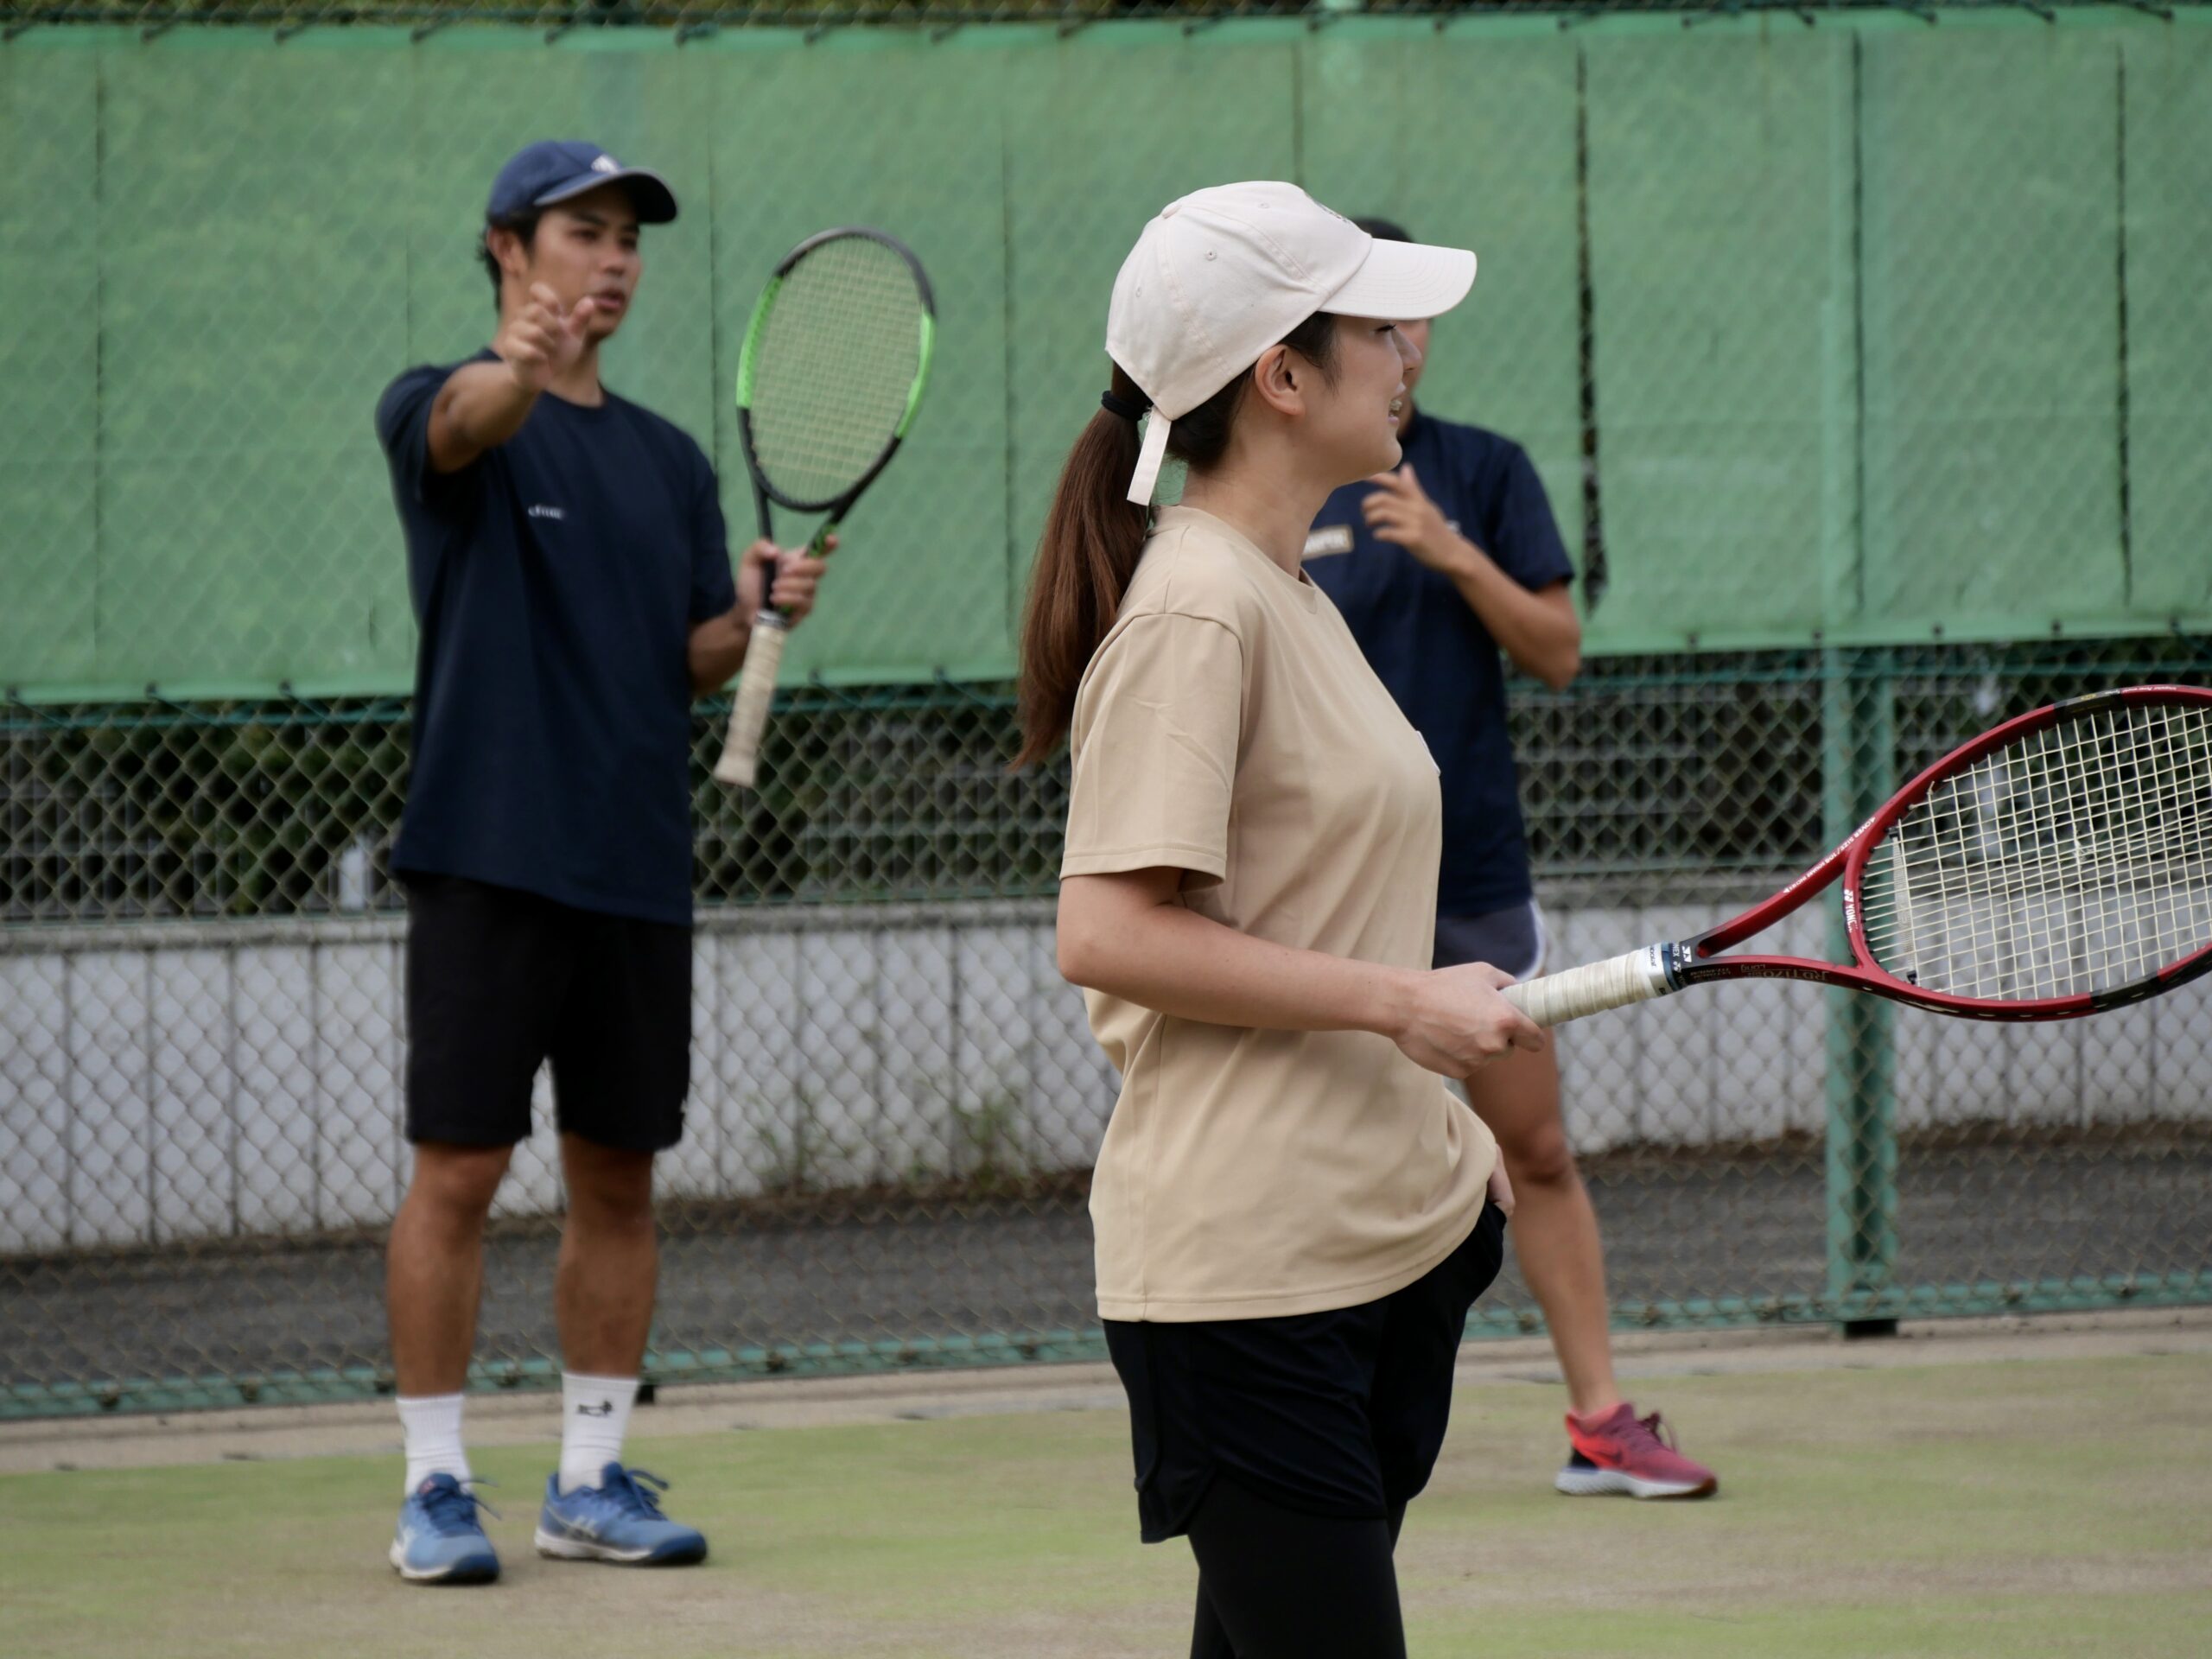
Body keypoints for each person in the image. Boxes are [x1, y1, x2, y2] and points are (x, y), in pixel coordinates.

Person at [1017, 181, 1540, 1658]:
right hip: (1249, 1291)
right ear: (1284, 376)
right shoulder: (1199, 608)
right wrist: (1405, 1006)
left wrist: (1450, 1145)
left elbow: (1326, 906)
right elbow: (1107, 934)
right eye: (1380, 324)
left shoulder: (1286, 591)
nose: (1411, 349)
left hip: (1369, 1255)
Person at [372, 140, 830, 1584]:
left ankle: (588, 1479)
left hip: (635, 866)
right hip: (488, 859)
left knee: (617, 1182)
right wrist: (515, 364)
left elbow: (682, 658)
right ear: (510, 246)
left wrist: (750, 612)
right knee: (458, 1172)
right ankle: (435, 1486)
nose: (616, 258)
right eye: (586, 231)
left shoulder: (668, 460)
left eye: (629, 236)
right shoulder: (448, 410)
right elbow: (465, 420)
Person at [1300, 215, 1718, 1503]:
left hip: (1469, 879)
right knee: (1316, 1166)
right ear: (1313, 343)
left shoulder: (1483, 472)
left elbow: (1557, 649)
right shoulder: (1277, 491)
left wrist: (1451, 550)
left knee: (1530, 1154)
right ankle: (1309, 1433)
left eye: (1416, 312)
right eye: (1377, 311)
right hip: (1319, 902)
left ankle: (1598, 1422)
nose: (1404, 337)